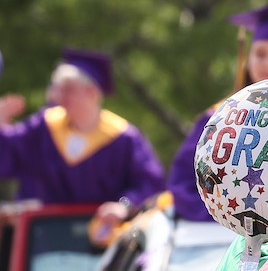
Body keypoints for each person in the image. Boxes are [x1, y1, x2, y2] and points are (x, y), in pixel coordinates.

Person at [167, 2, 268, 222]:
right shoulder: (219, 118)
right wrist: (234, 220)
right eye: (260, 53)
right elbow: (183, 185)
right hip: (218, 236)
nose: (267, 63)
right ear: (248, 58)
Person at [0, 49, 165, 222]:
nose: (60, 97)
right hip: (48, 231)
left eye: (69, 90)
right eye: (59, 89)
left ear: (91, 92)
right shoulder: (44, 127)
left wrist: (125, 205)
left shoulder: (123, 138)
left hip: (106, 234)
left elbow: (149, 183)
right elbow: (8, 154)